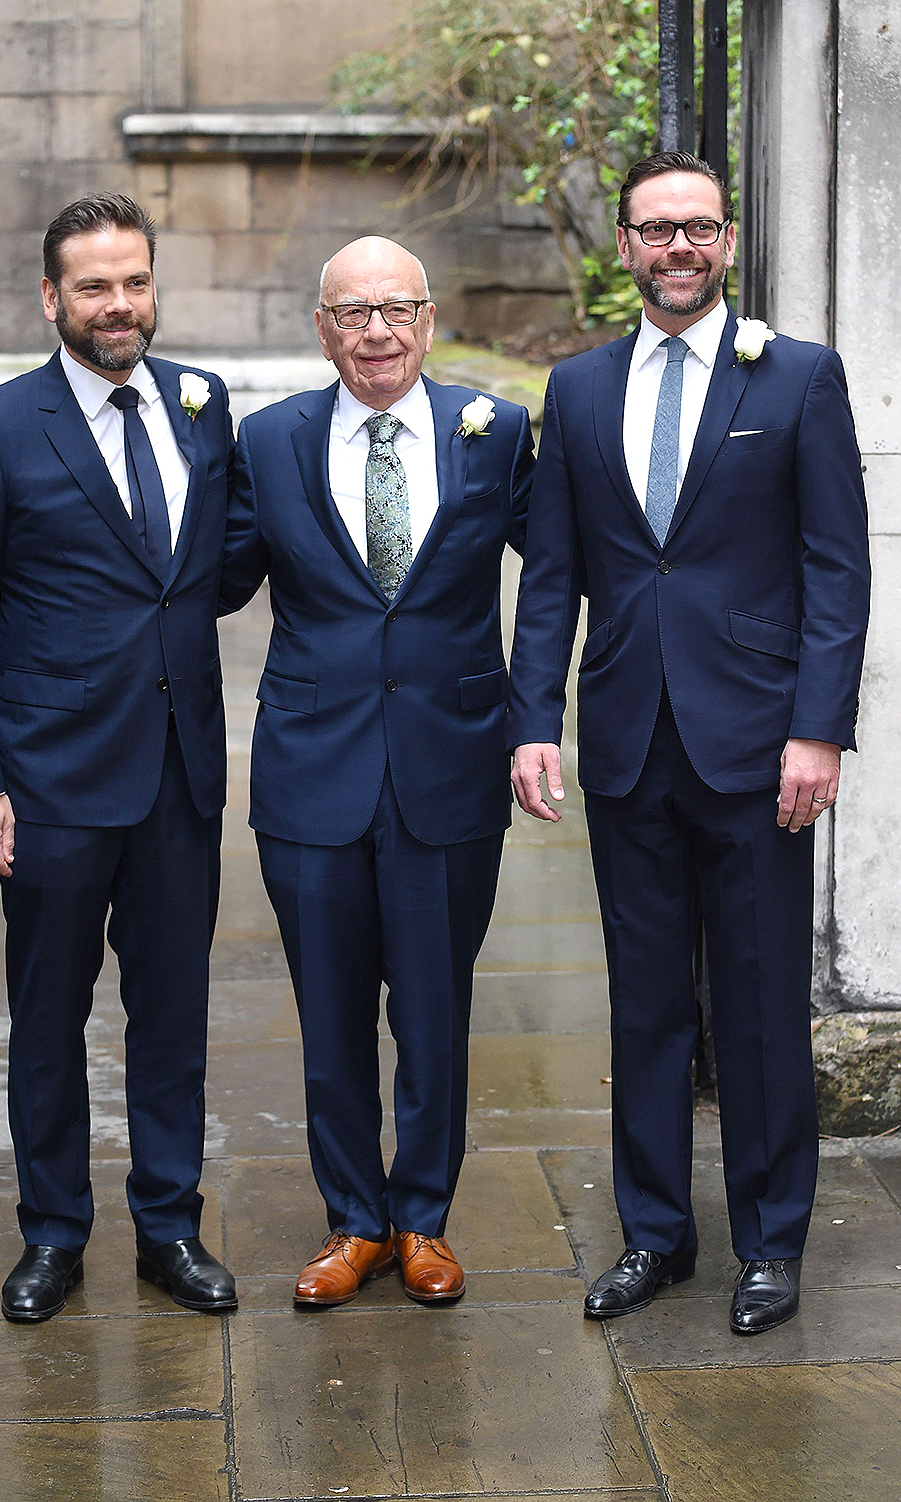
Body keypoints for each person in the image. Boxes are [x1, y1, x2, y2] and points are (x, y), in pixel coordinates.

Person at [509, 152, 870, 1335]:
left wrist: (818, 727)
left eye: (697, 229)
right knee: (645, 1000)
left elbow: (835, 567)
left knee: (762, 1001)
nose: (677, 248)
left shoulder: (799, 379)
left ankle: (771, 1240)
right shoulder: (575, 389)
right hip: (625, 740)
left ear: (726, 243)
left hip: (761, 741)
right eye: (656, 229)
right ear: (623, 244)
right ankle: (655, 1231)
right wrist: (533, 721)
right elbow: (554, 573)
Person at [0, 194, 239, 1321]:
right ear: (52, 297)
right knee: (48, 1016)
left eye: (136, 281)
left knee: (172, 1013)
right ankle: (53, 1231)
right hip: (50, 776)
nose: (120, 305)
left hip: (177, 770)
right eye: (96, 287)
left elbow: (220, 563)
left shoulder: (203, 409)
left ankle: (169, 1226)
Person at [222, 236, 533, 1307]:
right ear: (322, 330)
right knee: (332, 1011)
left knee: (436, 1007)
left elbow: (564, 569)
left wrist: (532, 714)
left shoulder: (494, 433)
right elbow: (202, 575)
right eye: (352, 313)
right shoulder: (265, 442)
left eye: (397, 307)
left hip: (450, 763)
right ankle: (353, 1219)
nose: (376, 331)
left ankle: (424, 1218)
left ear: (429, 318)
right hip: (312, 769)